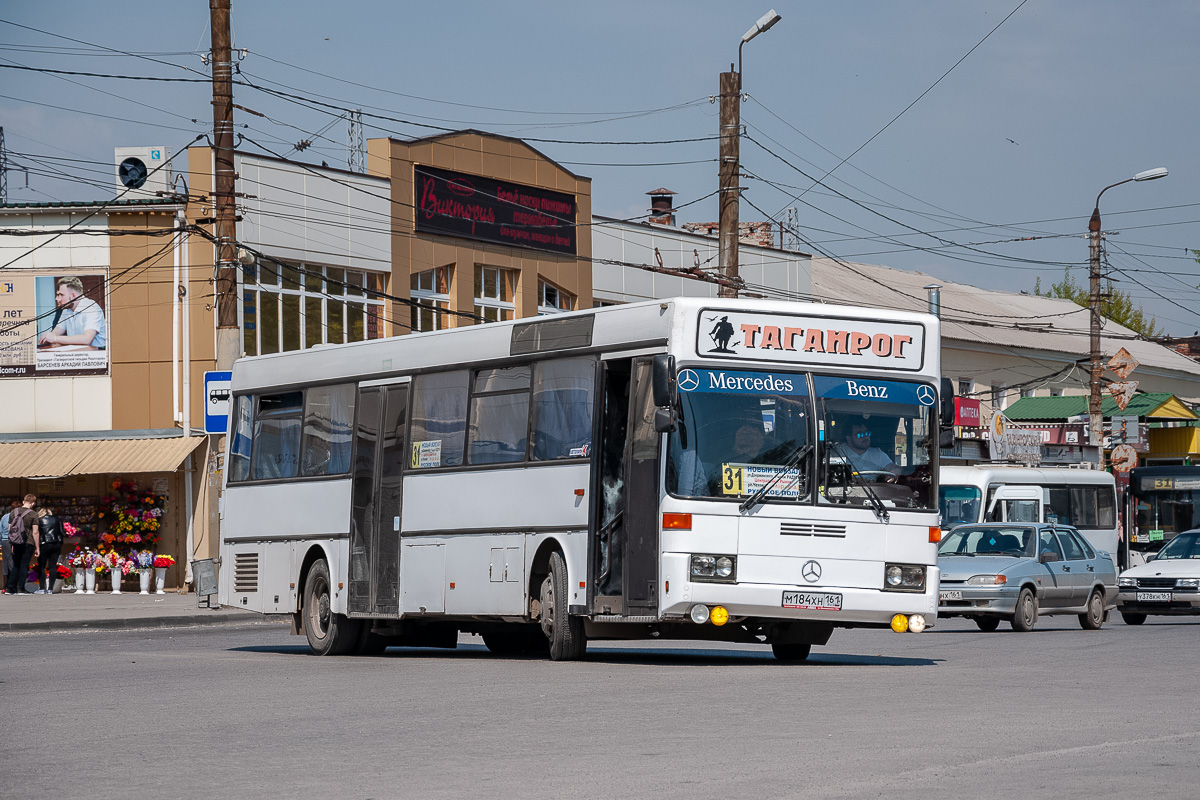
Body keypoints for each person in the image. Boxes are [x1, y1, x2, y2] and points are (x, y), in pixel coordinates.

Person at [37, 277, 107, 348]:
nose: (57, 299)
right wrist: (48, 337)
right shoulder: (66, 310)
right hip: (77, 353)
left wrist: (55, 339)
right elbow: (55, 333)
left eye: (61, 295)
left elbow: (87, 339)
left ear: (73, 296)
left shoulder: (92, 307)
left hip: (97, 353)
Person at [5, 494, 39, 595]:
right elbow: (35, 532)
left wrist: (11, 544)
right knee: (24, 565)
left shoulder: (13, 512)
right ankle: (21, 588)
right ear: (33, 503)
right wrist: (37, 547)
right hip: (28, 542)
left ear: (24, 501)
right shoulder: (33, 514)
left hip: (15, 542)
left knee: (15, 565)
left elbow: (9, 529)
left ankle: (10, 588)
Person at [36, 507, 65, 594]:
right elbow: (62, 532)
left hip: (44, 543)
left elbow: (36, 532)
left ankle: (42, 588)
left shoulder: (39, 520)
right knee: (52, 566)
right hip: (56, 543)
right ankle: (50, 589)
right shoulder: (57, 519)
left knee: (41, 566)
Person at [0, 501, 15, 594]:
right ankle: (13, 585)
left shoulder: (4, 517)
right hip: (16, 541)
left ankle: (5, 586)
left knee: (6, 563)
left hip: (5, 541)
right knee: (14, 563)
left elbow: (0, 531)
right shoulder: (19, 517)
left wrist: (0, 544)